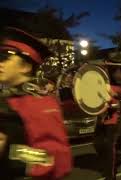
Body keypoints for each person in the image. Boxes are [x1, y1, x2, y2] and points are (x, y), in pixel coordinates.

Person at [0, 27, 72, 179]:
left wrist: (10, 151)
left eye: (6, 57)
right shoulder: (6, 100)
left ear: (25, 67)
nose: (0, 63)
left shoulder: (41, 104)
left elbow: (57, 159)